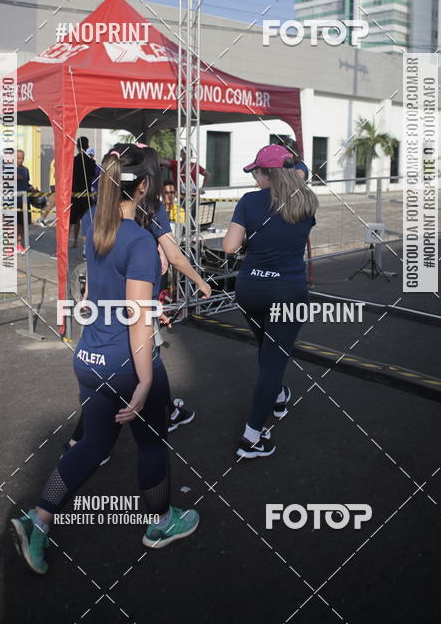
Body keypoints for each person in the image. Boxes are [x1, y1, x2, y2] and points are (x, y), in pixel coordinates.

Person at [10, 144, 199, 575]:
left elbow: (102, 297)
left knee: (93, 444)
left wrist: (149, 306)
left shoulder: (97, 221)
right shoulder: (140, 240)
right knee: (151, 441)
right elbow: (135, 316)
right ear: (146, 185)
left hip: (90, 355)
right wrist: (146, 379)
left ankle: (37, 519)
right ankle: (161, 523)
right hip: (126, 363)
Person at [68, 145, 212, 443]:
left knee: (112, 381)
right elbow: (173, 256)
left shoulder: (95, 215)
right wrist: (200, 280)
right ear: (144, 181)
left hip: (102, 319)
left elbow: (95, 262)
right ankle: (103, 435)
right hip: (135, 310)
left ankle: (89, 441)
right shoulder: (148, 216)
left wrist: (87, 293)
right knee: (143, 374)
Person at [223, 144, 318, 459]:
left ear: (268, 173)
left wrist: (252, 239)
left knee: (267, 352)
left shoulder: (249, 202)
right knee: (272, 361)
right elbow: (298, 176)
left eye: (257, 173)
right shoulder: (307, 201)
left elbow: (228, 247)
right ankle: (250, 438)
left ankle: (277, 398)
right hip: (288, 290)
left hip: (251, 289)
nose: (254, 180)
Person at [70, 136, 96, 248]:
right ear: (87, 146)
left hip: (75, 194)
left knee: (72, 221)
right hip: (86, 194)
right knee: (87, 221)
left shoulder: (73, 161)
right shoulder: (91, 162)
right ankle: (86, 246)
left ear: (77, 146)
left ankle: (70, 242)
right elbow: (93, 175)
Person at [16, 150, 32, 253]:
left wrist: (31, 188)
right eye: (18, 158)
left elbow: (27, 183)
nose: (20, 160)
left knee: (22, 224)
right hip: (14, 201)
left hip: (25, 201)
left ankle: (19, 244)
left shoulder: (25, 169)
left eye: (22, 158)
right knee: (13, 224)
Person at [37, 158, 56, 227]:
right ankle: (41, 219)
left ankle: (41, 219)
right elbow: (56, 174)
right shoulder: (57, 160)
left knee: (52, 203)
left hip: (54, 184)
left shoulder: (56, 159)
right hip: (55, 184)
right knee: (52, 203)